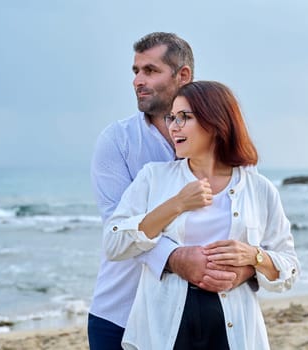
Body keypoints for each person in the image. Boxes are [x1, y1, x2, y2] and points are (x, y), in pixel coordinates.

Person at [89, 33, 256, 349]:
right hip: (120, 312)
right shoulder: (117, 141)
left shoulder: (233, 163)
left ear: (183, 75)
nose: (138, 80)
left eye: (150, 71)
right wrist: (176, 257)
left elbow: (256, 238)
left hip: (201, 319)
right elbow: (116, 228)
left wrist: (246, 269)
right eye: (135, 71)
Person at [104, 81, 300, 349]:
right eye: (172, 117)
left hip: (234, 330)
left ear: (216, 122)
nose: (174, 127)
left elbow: (289, 268)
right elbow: (114, 244)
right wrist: (176, 204)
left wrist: (253, 257)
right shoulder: (153, 177)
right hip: (166, 328)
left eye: (185, 117)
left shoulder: (259, 188)